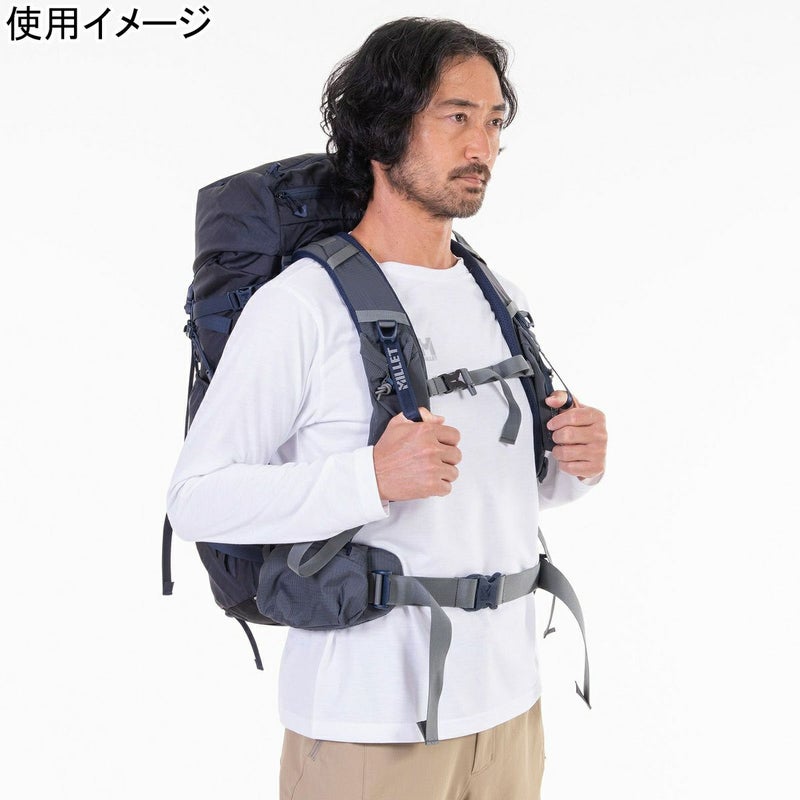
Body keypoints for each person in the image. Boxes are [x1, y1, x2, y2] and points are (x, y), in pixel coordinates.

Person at [167, 16, 607, 800]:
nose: (482, 146)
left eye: (493, 121)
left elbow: (500, 495)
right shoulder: (300, 306)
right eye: (456, 116)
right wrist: (369, 478)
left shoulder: (498, 296)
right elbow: (196, 499)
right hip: (366, 722)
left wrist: (572, 465)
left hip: (511, 709)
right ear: (382, 128)